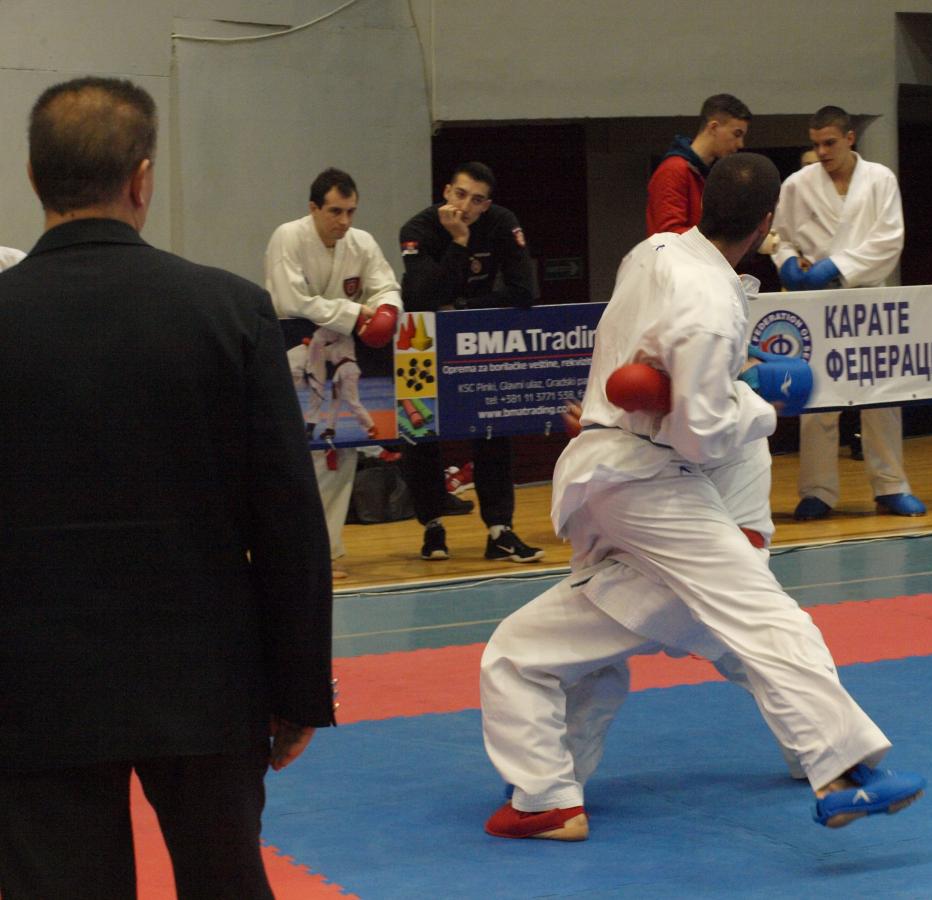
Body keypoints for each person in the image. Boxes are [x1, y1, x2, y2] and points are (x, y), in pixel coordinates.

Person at [480, 153, 924, 841]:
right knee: (760, 615)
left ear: (702, 202)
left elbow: (649, 368)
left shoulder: (651, 254)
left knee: (532, 651)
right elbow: (701, 435)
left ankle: (546, 793)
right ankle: (844, 769)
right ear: (767, 223)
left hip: (600, 478)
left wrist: (663, 395)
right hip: (649, 484)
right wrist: (760, 402)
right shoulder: (712, 306)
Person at [0, 76, 335, 899]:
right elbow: (289, 519)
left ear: (34, 176)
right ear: (142, 179)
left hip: (31, 681)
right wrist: (297, 687)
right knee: (226, 881)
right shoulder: (230, 312)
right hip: (206, 674)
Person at [771, 105, 925, 520]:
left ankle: (891, 486)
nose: (822, 152)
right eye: (816, 144)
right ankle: (817, 491)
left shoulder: (880, 179)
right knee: (818, 397)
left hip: (868, 299)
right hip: (817, 304)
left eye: (830, 143)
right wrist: (787, 262)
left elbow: (890, 240)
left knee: (881, 396)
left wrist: (837, 266)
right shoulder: (797, 184)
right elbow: (781, 237)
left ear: (849, 138)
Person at [397, 161, 543, 563]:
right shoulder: (417, 228)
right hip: (420, 340)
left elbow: (524, 291)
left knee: (493, 428)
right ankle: (432, 528)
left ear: (486, 205)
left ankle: (500, 531)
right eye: (460, 194)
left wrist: (463, 307)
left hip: (478, 339)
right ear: (446, 192)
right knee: (420, 430)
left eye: (476, 200)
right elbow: (422, 298)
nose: (465, 206)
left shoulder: (502, 223)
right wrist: (459, 243)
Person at [266, 168, 402, 578]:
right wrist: (356, 313)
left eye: (350, 211)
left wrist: (386, 311)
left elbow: (385, 285)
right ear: (313, 208)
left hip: (340, 351)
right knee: (296, 458)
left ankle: (324, 553)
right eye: (335, 211)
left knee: (341, 451)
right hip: (291, 352)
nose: (344, 221)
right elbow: (291, 300)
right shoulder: (288, 237)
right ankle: (291, 554)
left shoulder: (361, 243)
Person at [645, 93, 751, 236]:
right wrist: (725, 240)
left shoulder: (706, 172)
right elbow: (670, 236)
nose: (740, 144)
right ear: (713, 127)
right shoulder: (673, 170)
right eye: (737, 134)